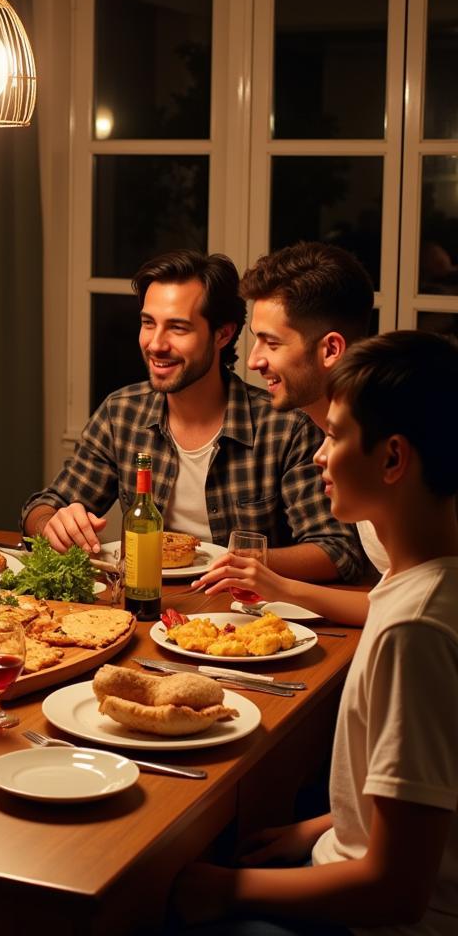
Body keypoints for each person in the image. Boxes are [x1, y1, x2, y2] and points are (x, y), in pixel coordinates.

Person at [173, 330, 458, 935]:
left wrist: (229, 889)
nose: (317, 457)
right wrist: (320, 826)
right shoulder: (420, 583)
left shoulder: (416, 630)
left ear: (392, 458)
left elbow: (397, 892)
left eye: (334, 435)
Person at [22, 250, 364, 583]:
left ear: (222, 334)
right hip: (142, 606)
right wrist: (53, 523)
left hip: (244, 617)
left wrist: (236, 561)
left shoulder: (286, 425)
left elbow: (336, 550)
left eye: (178, 328)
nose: (156, 344)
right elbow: (42, 507)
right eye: (148, 323)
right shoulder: (122, 412)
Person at [194, 241, 382, 624]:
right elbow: (393, 601)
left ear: (331, 349)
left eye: (272, 342)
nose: (253, 360)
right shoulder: (336, 435)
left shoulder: (382, 448)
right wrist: (276, 585)